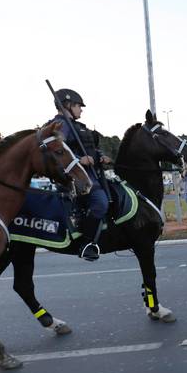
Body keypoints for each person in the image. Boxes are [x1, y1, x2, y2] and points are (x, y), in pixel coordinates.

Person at [50, 88, 111, 261]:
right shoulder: (60, 125)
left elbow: (89, 150)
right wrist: (79, 159)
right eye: (78, 106)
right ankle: (86, 243)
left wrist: (100, 157)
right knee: (100, 203)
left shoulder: (77, 127)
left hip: (93, 175)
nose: (81, 109)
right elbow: (56, 150)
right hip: (77, 179)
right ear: (67, 105)